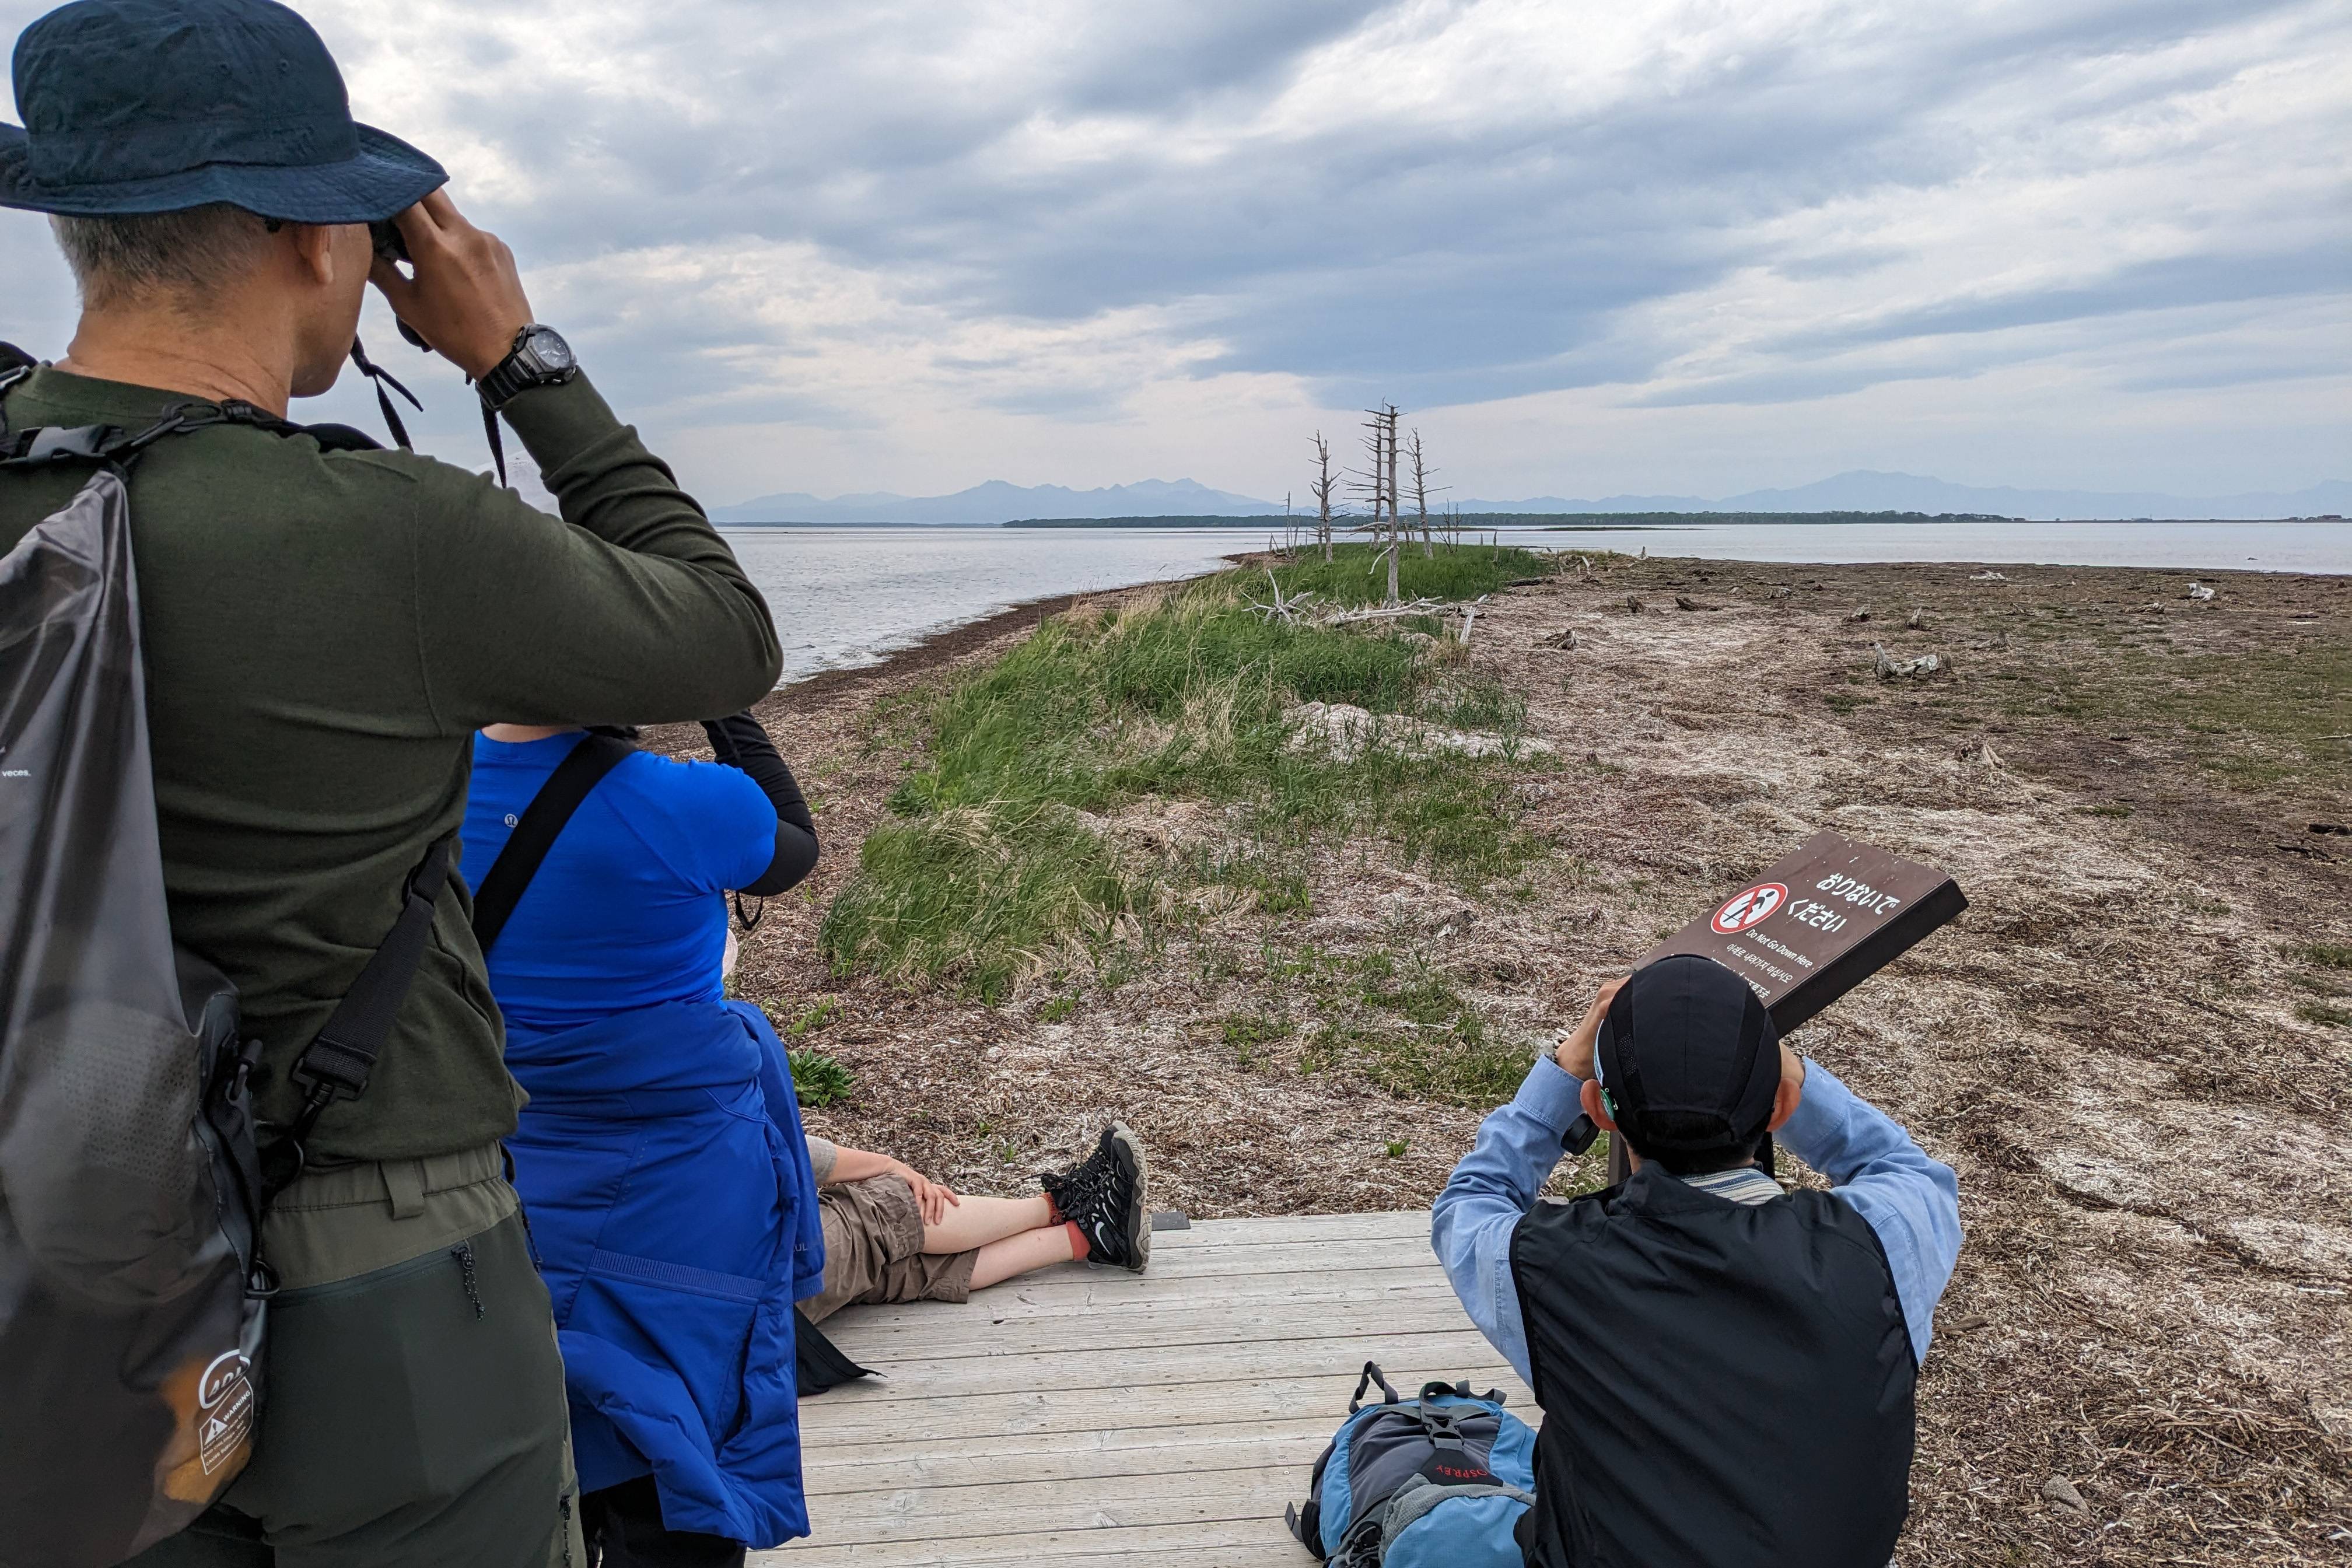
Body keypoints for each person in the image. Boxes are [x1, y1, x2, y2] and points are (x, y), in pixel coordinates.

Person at [0, 1, 781, 1562]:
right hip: (378, 1253)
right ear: (317, 240)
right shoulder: (394, 533)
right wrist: (516, 354)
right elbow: (722, 636)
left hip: (42, 1236)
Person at [1431, 955, 1964, 1567]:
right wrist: (1783, 1070)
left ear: (1599, 1112)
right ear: (1781, 1108)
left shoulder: (1550, 1268)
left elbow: (1470, 1203)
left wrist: (1561, 1072)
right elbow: (1906, 1169)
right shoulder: (1878, 1246)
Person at [462, 714, 823, 1568]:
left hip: (508, 1158)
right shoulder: (691, 804)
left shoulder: (426, 787)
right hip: (680, 1182)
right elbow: (796, 846)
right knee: (678, 1430)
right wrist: (725, 705)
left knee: (534, 1399)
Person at [802, 1122, 1152, 1325]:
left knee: (894, 1266)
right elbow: (783, 1151)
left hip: (765, 1320)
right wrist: (893, 1171)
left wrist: (891, 1166)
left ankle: (1091, 1237)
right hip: (767, 1288)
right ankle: (1062, 1205)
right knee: (878, 1213)